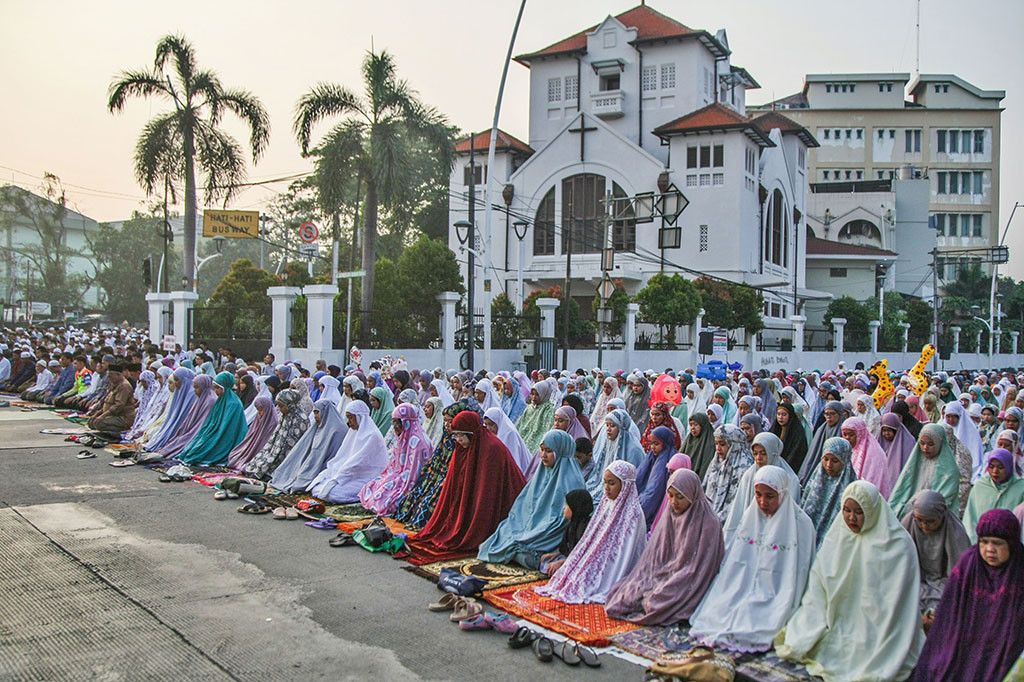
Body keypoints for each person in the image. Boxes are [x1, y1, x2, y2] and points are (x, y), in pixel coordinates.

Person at [776, 481, 924, 682]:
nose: (851, 518)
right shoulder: (839, 534)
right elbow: (820, 579)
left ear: (872, 510)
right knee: (812, 640)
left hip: (877, 623)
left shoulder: (898, 545)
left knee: (870, 657)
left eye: (859, 511)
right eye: (846, 510)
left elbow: (896, 601)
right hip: (838, 618)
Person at [689, 465, 816, 653]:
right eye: (758, 494)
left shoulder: (801, 525)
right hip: (742, 586)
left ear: (782, 493)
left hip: (777, 593)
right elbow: (736, 562)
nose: (762, 502)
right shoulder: (751, 516)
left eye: (770, 496)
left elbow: (801, 572)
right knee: (720, 611)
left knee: (760, 619)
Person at [908, 509, 1024, 681]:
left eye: (997, 543)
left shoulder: (1019, 571)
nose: (990, 549)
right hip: (966, 643)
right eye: (984, 542)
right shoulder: (969, 564)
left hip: (1005, 648)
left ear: (1011, 543)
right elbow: (948, 617)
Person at [604, 469, 725, 626]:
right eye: (671, 496)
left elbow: (699, 568)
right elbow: (655, 557)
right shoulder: (670, 515)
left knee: (657, 601)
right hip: (664, 573)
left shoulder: (709, 523)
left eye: (680, 497)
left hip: (688, 578)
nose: (674, 502)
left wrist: (671, 579)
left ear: (692, 495)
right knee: (623, 597)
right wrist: (656, 578)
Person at [407, 411, 526, 561]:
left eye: (461, 435)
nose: (458, 440)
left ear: (471, 433)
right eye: (455, 435)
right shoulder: (463, 446)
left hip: (502, 504)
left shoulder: (492, 448)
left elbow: (487, 490)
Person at [534, 460, 647, 604]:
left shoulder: (633, 514)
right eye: (605, 483)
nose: (606, 488)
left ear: (625, 485)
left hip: (614, 566)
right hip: (598, 558)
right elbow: (592, 539)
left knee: (588, 580)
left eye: (612, 483)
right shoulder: (606, 505)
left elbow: (625, 553)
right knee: (571, 574)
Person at [478, 430, 586, 569]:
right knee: (493, 542)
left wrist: (535, 532)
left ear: (560, 451)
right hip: (530, 527)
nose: (543, 455)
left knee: (526, 554)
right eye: (541, 450)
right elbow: (524, 506)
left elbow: (563, 521)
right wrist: (523, 527)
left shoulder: (572, 480)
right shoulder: (542, 472)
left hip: (549, 534)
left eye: (548, 451)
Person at [393, 401, 466, 531]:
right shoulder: (447, 437)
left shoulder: (462, 440)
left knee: (429, 505)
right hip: (437, 474)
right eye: (445, 421)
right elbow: (436, 459)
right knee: (413, 497)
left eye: (450, 421)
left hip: (449, 478)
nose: (447, 425)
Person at [900, 489, 970, 616]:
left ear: (941, 515)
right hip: (915, 580)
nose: (924, 526)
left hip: (945, 583)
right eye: (920, 520)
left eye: (931, 521)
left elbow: (961, 574)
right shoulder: (908, 525)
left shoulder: (956, 533)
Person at [723, 432, 801, 546]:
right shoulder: (749, 475)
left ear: (773, 453)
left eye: (764, 453)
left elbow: (788, 516)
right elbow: (738, 509)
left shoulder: (789, 479)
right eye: (755, 454)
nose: (758, 458)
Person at [359, 403, 434, 515]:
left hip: (409, 481)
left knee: (385, 498)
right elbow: (394, 466)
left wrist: (395, 481)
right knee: (371, 486)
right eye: (393, 422)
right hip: (398, 476)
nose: (394, 426)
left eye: (397, 422)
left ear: (406, 423)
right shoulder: (403, 437)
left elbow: (413, 476)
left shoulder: (419, 444)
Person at [309, 401, 389, 503]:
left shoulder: (372, 436)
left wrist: (341, 475)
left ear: (359, 417)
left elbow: (358, 462)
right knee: (319, 484)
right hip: (349, 474)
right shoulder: (353, 432)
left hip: (366, 476)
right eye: (348, 417)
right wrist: (337, 472)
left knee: (334, 493)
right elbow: (342, 456)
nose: (349, 421)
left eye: (351, 417)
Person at [269, 398, 349, 493]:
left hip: (325, 467)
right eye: (314, 413)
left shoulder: (338, 430)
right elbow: (304, 448)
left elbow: (332, 457)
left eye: (317, 413)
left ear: (325, 412)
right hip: (312, 463)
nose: (315, 416)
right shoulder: (318, 426)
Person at [889, 423, 963, 518]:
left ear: (939, 443)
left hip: (936, 516)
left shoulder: (950, 470)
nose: (925, 448)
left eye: (930, 444)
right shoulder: (915, 463)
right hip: (911, 512)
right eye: (922, 443)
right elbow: (902, 491)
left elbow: (945, 498)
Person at [177, 372, 248, 467]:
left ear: (225, 387)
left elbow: (227, 429)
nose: (216, 391)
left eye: (218, 388)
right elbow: (212, 421)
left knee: (204, 450)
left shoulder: (233, 404)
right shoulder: (221, 400)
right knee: (194, 447)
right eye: (214, 388)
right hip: (216, 431)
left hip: (226, 437)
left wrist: (211, 437)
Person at [800, 436, 858, 548]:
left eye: (835, 460)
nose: (829, 465)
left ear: (844, 460)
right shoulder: (815, 482)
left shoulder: (851, 489)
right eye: (826, 459)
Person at [243, 389, 311, 480]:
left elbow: (290, 444)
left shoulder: (300, 419)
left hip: (290, 455)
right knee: (257, 463)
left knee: (270, 470)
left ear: (290, 404)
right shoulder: (284, 415)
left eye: (281, 406)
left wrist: (275, 454)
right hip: (277, 450)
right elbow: (276, 437)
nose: (279, 409)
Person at [963, 448, 1024, 542]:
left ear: (1009, 467)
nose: (995, 471)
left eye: (1000, 467)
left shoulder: (1020, 488)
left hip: (1010, 543)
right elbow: (970, 519)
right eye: (991, 467)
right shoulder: (980, 487)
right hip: (981, 543)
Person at [586, 408, 646, 503]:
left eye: (613, 426)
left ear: (621, 427)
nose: (608, 429)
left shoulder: (634, 450)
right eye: (607, 425)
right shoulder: (608, 443)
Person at [704, 424, 754, 523]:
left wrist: (716, 520)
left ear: (734, 444)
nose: (718, 448)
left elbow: (738, 501)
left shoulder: (745, 465)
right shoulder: (717, 461)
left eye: (722, 444)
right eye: (716, 443)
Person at [539, 489, 594, 577]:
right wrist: (555, 554)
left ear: (575, 507)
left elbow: (583, 554)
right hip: (570, 558)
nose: (564, 507)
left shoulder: (585, 527)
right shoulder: (573, 524)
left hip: (580, 561)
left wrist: (561, 563)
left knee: (559, 568)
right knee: (547, 563)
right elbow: (568, 548)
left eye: (567, 505)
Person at [842, 416, 892, 498]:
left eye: (851, 435)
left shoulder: (875, 454)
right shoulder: (847, 451)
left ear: (860, 434)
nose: (847, 438)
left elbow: (875, 482)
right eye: (845, 434)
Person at [227, 395, 279, 471]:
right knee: (234, 455)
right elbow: (250, 437)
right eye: (258, 410)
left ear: (266, 409)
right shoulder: (258, 418)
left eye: (261, 410)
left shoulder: (273, 422)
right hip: (252, 448)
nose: (259, 413)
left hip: (262, 452)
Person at [515, 381, 557, 456]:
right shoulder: (529, 408)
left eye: (537, 394)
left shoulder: (549, 410)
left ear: (544, 394)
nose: (534, 397)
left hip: (536, 445)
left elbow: (546, 431)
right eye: (532, 394)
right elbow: (519, 425)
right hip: (523, 440)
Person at [769, 403, 808, 473]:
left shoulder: (797, 431)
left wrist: (783, 466)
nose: (780, 417)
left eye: (784, 415)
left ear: (790, 416)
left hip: (791, 468)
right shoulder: (775, 428)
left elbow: (796, 452)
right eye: (778, 414)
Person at [681, 412, 716, 479]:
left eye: (696, 424)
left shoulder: (710, 444)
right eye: (691, 425)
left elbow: (705, 468)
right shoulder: (689, 440)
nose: (693, 428)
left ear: (703, 426)